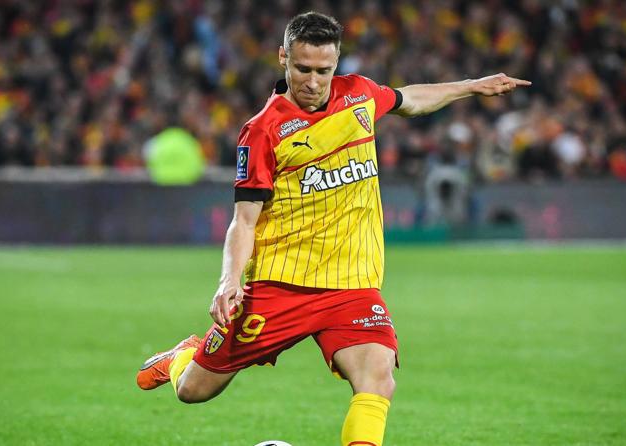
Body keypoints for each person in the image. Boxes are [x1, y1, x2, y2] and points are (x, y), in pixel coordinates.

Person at [136, 11, 529, 446]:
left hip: (352, 285)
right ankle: (182, 357)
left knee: (378, 378)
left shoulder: (358, 94)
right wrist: (228, 281)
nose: (313, 81)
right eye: (303, 68)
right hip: (281, 284)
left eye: (324, 70)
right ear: (283, 58)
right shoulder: (263, 131)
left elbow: (411, 99)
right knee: (194, 390)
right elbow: (244, 220)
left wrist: (471, 86)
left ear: (336, 63)